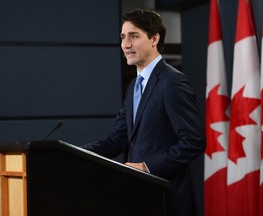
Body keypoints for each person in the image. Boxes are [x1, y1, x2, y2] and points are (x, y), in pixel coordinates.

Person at [82, 8, 205, 216]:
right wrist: (76, 153)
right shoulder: (133, 86)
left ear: (154, 38)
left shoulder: (173, 82)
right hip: (139, 197)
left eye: (134, 36)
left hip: (168, 198)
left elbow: (193, 141)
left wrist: (147, 167)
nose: (126, 44)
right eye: (123, 37)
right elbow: (118, 139)